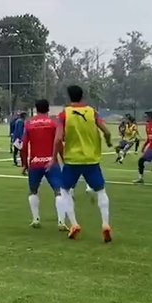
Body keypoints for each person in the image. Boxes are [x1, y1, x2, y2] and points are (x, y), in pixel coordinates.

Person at [54, 85, 114, 242]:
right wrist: (107, 142)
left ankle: (74, 224)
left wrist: (54, 157)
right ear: (82, 96)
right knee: (101, 190)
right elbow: (107, 132)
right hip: (91, 159)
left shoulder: (63, 114)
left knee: (65, 190)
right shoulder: (92, 112)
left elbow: (59, 138)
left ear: (69, 96)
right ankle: (106, 224)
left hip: (73, 160)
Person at [20, 99, 66, 230]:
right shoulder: (53, 123)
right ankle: (61, 222)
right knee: (58, 191)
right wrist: (63, 158)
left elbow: (23, 146)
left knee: (33, 191)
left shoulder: (29, 124)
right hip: (51, 162)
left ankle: (36, 219)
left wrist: (24, 164)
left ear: (36, 108)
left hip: (35, 162)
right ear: (48, 109)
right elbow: (58, 142)